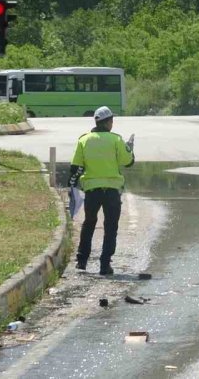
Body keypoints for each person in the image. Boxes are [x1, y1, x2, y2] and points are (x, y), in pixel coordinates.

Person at [69, 106, 135, 275]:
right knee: (111, 227)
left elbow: (75, 167)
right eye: (111, 121)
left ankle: (81, 262)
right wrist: (129, 148)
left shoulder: (84, 140)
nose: (112, 123)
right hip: (112, 191)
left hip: (92, 190)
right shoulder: (116, 140)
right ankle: (105, 265)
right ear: (108, 122)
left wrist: (73, 187)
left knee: (89, 224)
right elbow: (128, 162)